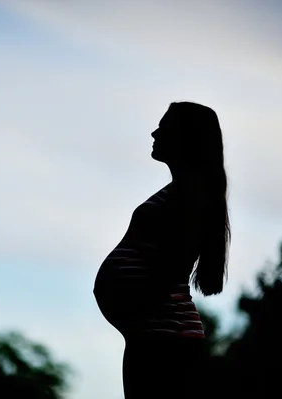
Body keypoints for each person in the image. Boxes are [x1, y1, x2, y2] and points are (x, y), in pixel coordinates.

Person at [93, 101, 231, 398]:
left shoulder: (190, 196)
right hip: (156, 336)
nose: (155, 133)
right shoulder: (184, 192)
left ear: (185, 137)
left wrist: (131, 306)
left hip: (163, 341)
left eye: (164, 127)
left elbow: (173, 266)